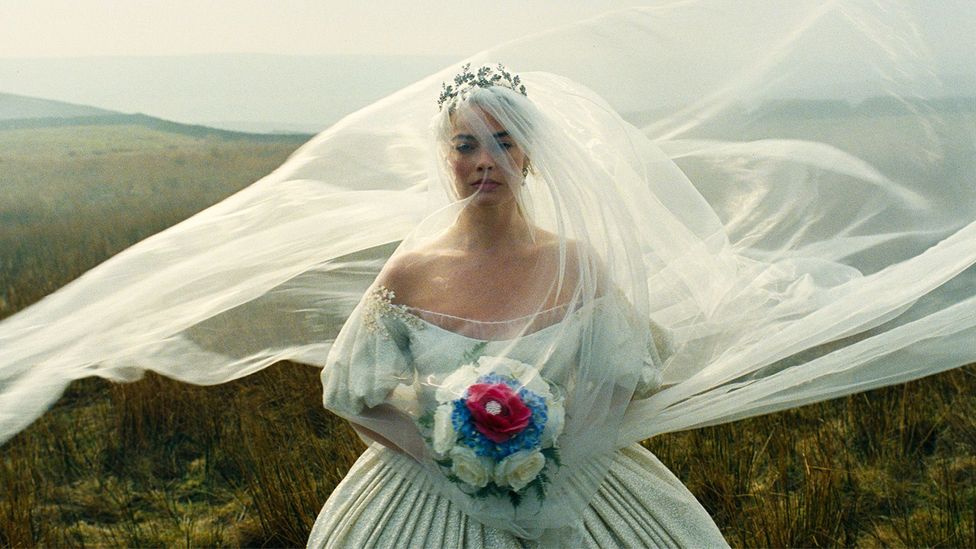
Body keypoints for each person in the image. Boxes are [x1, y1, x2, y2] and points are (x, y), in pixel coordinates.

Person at [0, 1, 973, 546]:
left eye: (501, 142)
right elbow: (351, 393)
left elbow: (616, 381)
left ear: (532, 157)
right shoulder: (410, 269)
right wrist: (448, 459)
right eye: (464, 144)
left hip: (580, 499)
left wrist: (544, 474)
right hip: (421, 505)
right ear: (444, 157)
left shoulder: (578, 263)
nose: (481, 160)